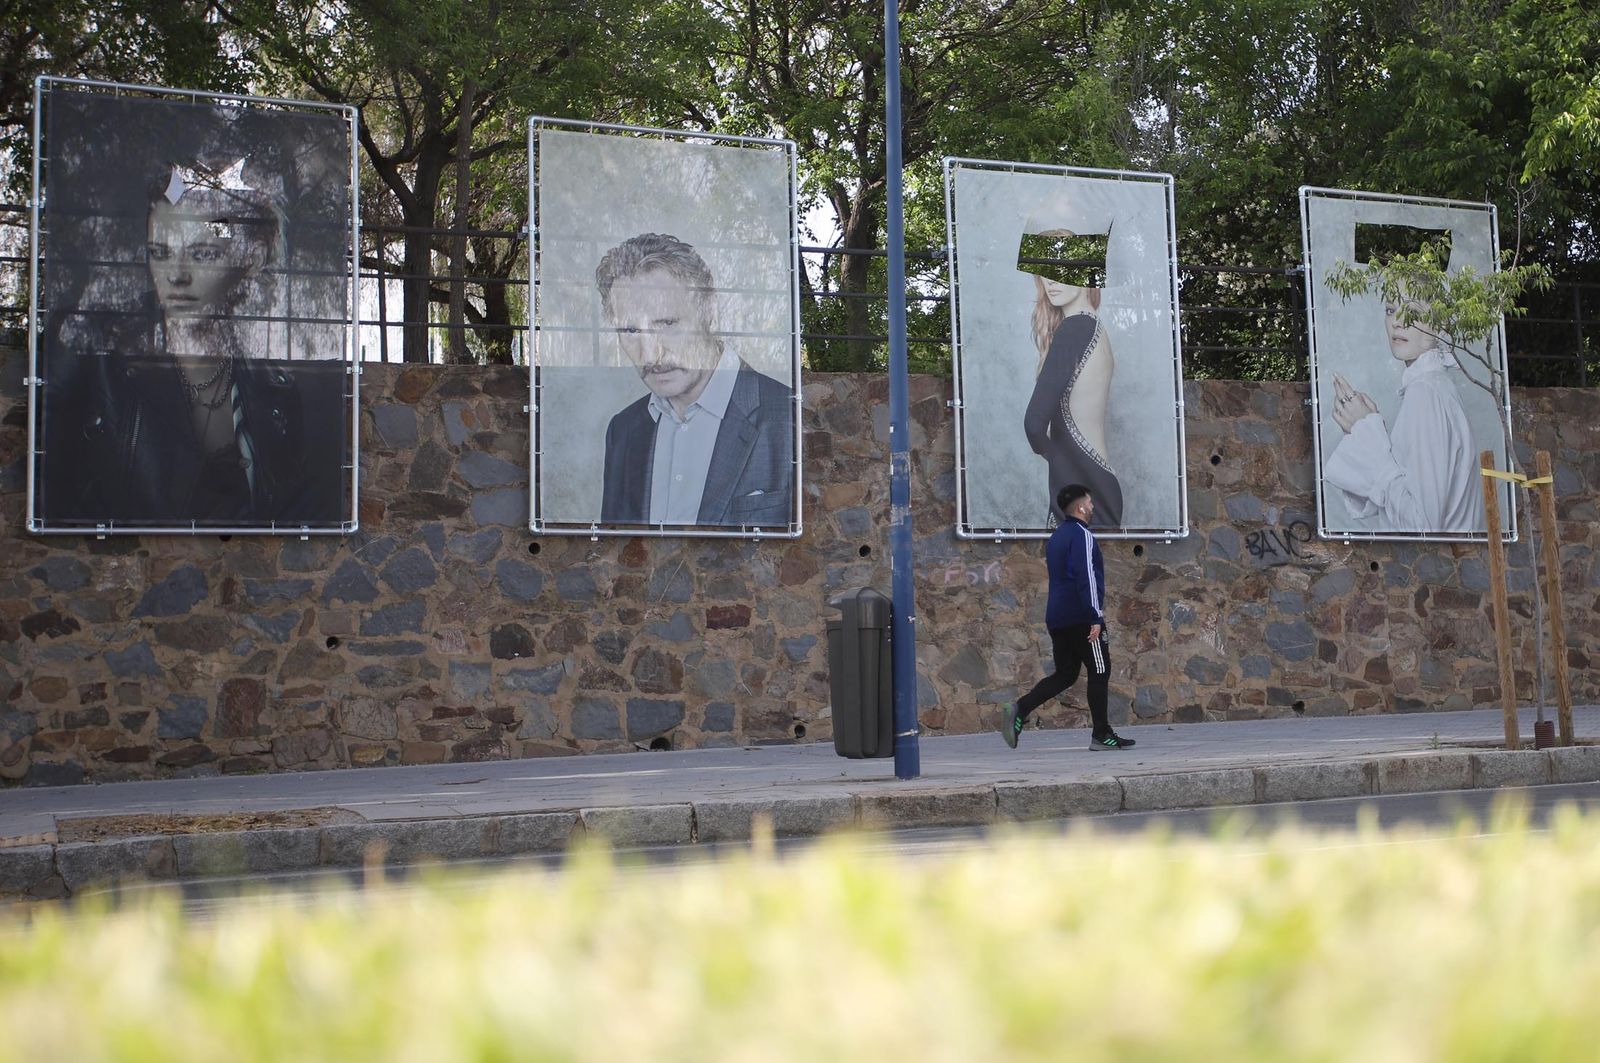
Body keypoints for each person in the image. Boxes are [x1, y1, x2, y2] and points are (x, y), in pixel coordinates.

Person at [41, 152, 346, 527]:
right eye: (160, 253)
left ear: (249, 260)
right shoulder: (100, 357)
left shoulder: (274, 393)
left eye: (202, 253)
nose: (176, 275)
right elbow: (54, 481)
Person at [593, 232, 793, 528]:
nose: (651, 354)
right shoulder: (623, 431)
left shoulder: (790, 420)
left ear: (709, 309)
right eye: (631, 331)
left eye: (668, 323)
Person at [1321, 300, 1486, 534]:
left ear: (1440, 326)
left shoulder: (1426, 393)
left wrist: (1368, 436)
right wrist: (1370, 432)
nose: (1397, 322)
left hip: (1437, 567)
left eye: (1412, 312)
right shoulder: (1433, 386)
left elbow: (1421, 526)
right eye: (1390, 311)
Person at [999, 483, 1135, 751]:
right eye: (1091, 502)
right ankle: (1102, 735)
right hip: (1082, 616)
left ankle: (1020, 708)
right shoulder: (1081, 535)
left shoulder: (1057, 537)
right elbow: (1086, 576)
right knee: (1099, 670)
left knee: (1066, 674)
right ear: (1081, 507)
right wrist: (1095, 616)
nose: (1094, 507)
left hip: (1058, 617)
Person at [1021, 249, 1123, 529]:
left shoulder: (1075, 329)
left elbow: (1034, 423)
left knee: (1071, 572)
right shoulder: (1094, 328)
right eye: (1046, 272)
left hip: (1080, 488)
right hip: (1096, 482)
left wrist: (1056, 457)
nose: (1051, 281)